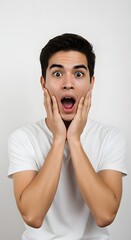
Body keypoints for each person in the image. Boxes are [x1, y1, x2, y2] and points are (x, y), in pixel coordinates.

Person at [8, 33, 127, 240]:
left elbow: (105, 215)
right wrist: (57, 140)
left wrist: (74, 140)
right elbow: (32, 216)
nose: (68, 83)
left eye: (79, 74)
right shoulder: (23, 138)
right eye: (57, 74)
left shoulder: (111, 137)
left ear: (92, 83)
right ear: (43, 83)